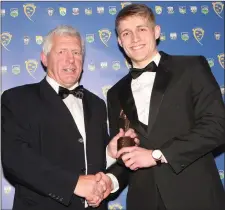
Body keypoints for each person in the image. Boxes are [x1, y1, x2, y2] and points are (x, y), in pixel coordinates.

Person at [1, 25, 136, 210]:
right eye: (62, 52)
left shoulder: (97, 104)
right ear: (44, 59)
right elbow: (16, 158)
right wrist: (74, 184)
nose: (70, 59)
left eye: (76, 52)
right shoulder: (17, 99)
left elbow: (87, 159)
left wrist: (109, 154)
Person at [106, 4, 225, 210]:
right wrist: (109, 180)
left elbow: (217, 126)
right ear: (119, 40)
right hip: (143, 202)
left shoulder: (191, 67)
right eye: (126, 33)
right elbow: (126, 153)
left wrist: (156, 155)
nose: (134, 38)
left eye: (141, 29)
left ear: (156, 31)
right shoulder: (114, 93)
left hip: (196, 197)